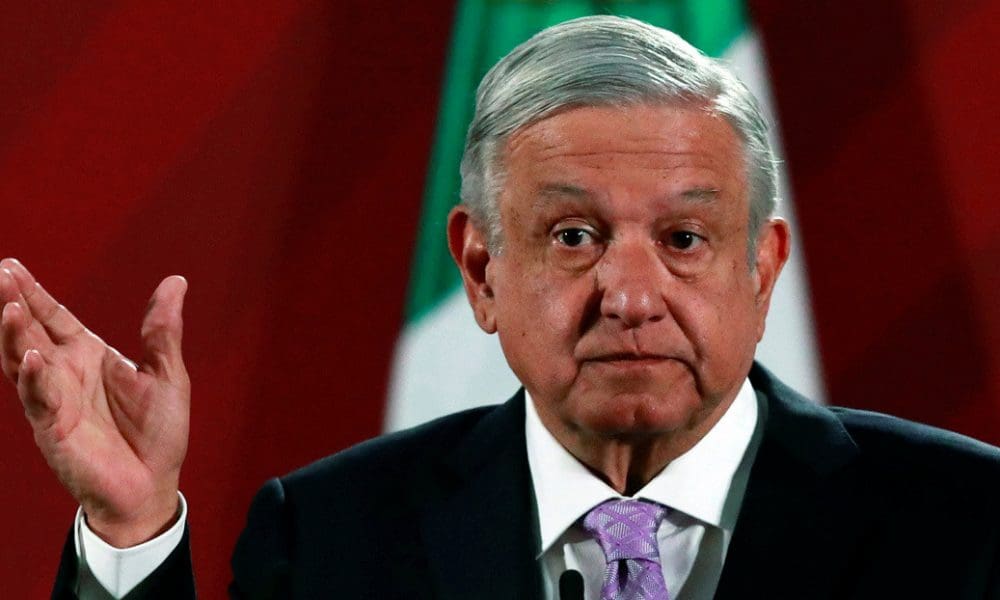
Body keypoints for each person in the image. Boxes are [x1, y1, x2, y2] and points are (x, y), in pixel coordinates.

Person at [2, 15, 999, 600]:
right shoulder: (331, 538)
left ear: (762, 268)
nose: (631, 296)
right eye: (573, 236)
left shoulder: (968, 522)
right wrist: (128, 533)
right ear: (480, 270)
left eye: (685, 239)